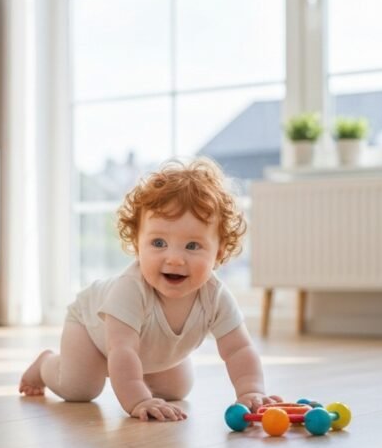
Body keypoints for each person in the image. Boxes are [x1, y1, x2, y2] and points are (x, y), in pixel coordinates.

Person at [19, 158, 281, 422]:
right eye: (158, 242)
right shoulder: (130, 290)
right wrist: (139, 400)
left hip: (148, 351)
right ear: (137, 243)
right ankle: (45, 364)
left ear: (219, 252)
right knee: (81, 388)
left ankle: (149, 370)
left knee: (176, 389)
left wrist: (251, 391)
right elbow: (122, 350)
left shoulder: (216, 296)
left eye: (192, 246)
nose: (175, 259)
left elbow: (238, 350)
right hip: (90, 330)